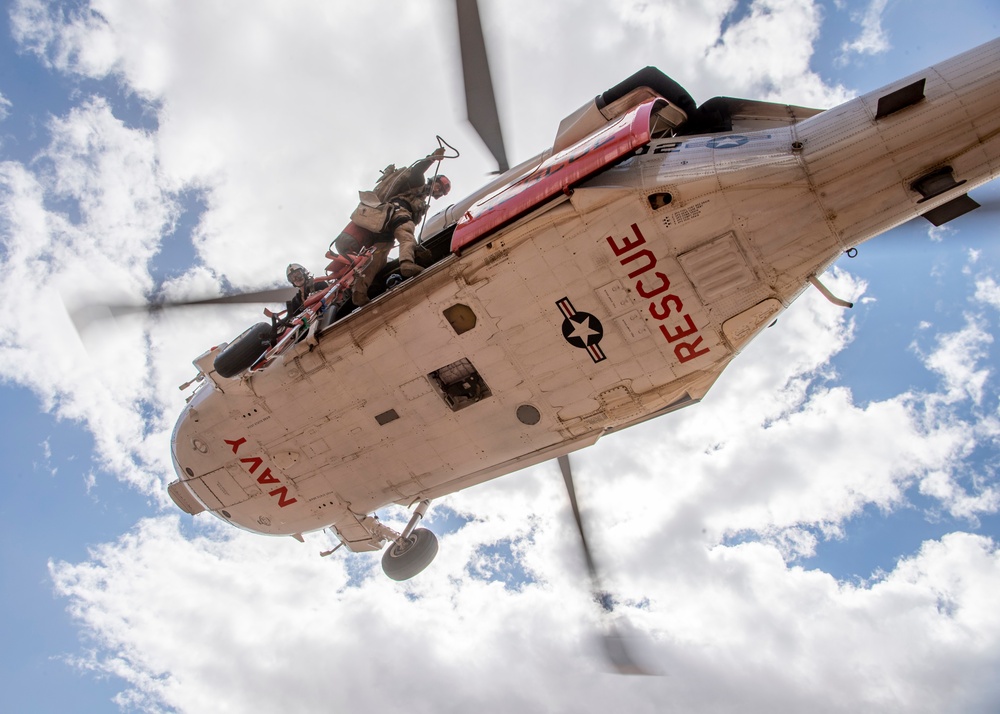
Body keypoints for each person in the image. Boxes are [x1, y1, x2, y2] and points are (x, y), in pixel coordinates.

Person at [350, 149, 452, 306]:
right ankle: (406, 264)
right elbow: (418, 170)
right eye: (438, 186)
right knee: (407, 235)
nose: (437, 189)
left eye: (440, 190)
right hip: (396, 213)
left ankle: (359, 292)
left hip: (384, 226)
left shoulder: (422, 199)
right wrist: (432, 158)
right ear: (433, 181)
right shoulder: (417, 184)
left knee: (378, 258)